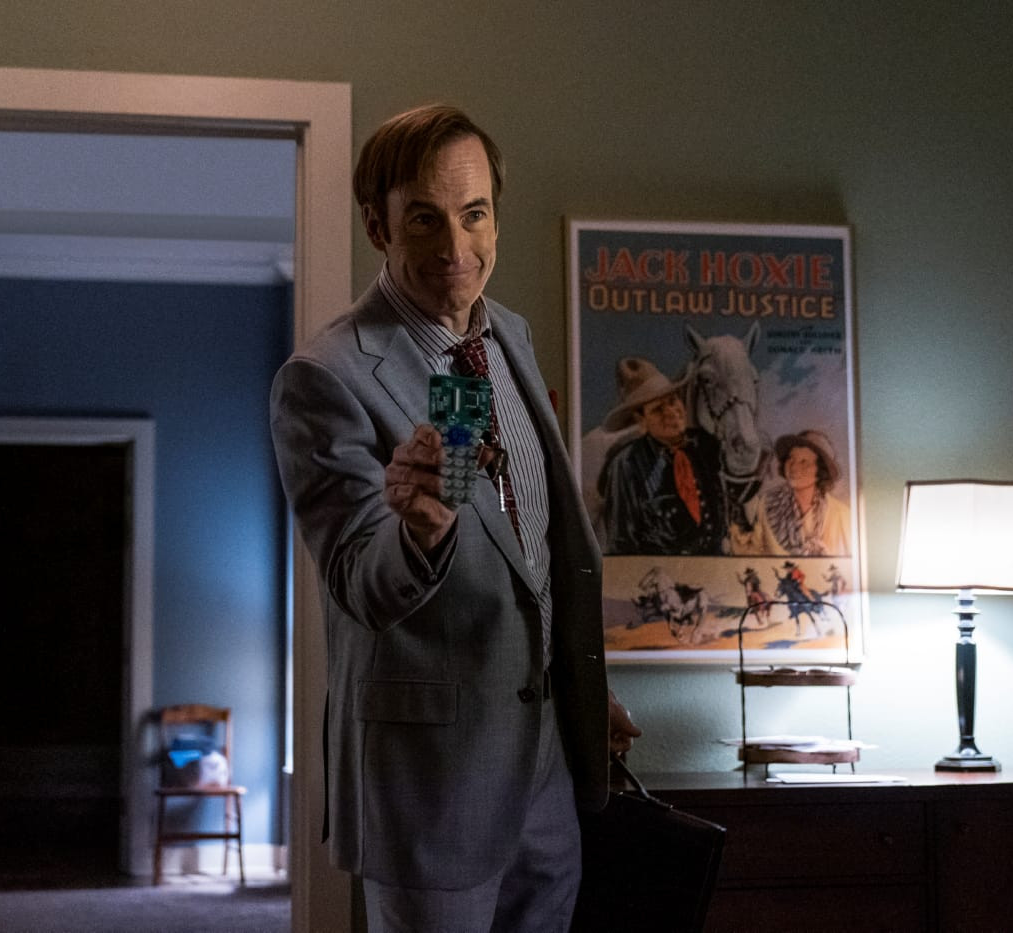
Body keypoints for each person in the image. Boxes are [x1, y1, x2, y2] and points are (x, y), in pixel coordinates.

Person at [269, 104, 640, 933]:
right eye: (424, 219)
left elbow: (531, 550)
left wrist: (578, 692)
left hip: (545, 772)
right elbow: (358, 579)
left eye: (474, 214)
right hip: (429, 791)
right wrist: (418, 532)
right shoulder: (324, 375)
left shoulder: (508, 337)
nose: (455, 247)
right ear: (377, 226)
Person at [596, 358, 728, 555]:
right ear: (641, 420)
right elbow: (621, 543)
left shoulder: (706, 446)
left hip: (714, 569)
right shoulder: (627, 464)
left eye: (673, 401)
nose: (671, 412)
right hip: (658, 572)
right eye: (658, 409)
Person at [732, 429, 852, 556]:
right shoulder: (766, 504)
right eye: (791, 459)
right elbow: (754, 553)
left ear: (820, 471)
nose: (794, 467)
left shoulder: (841, 515)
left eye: (804, 462)